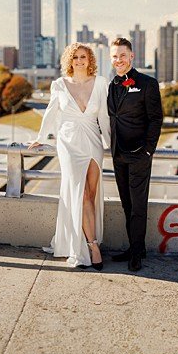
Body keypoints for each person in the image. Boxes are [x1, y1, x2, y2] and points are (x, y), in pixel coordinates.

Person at [27, 43, 108, 269]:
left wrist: (111, 143)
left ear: (90, 59)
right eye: (75, 57)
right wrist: (41, 138)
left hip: (93, 140)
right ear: (69, 61)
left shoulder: (100, 83)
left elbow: (104, 117)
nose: (79, 61)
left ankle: (87, 237)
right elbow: (51, 113)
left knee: (90, 194)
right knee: (80, 194)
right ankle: (92, 247)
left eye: (83, 57)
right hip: (69, 142)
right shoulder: (60, 85)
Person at [105, 36, 162, 271]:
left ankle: (137, 253)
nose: (118, 60)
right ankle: (134, 246)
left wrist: (148, 151)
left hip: (139, 154)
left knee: (138, 206)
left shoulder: (148, 83)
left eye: (122, 55)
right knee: (127, 204)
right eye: (114, 56)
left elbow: (156, 119)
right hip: (118, 155)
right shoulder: (112, 85)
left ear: (132, 57)